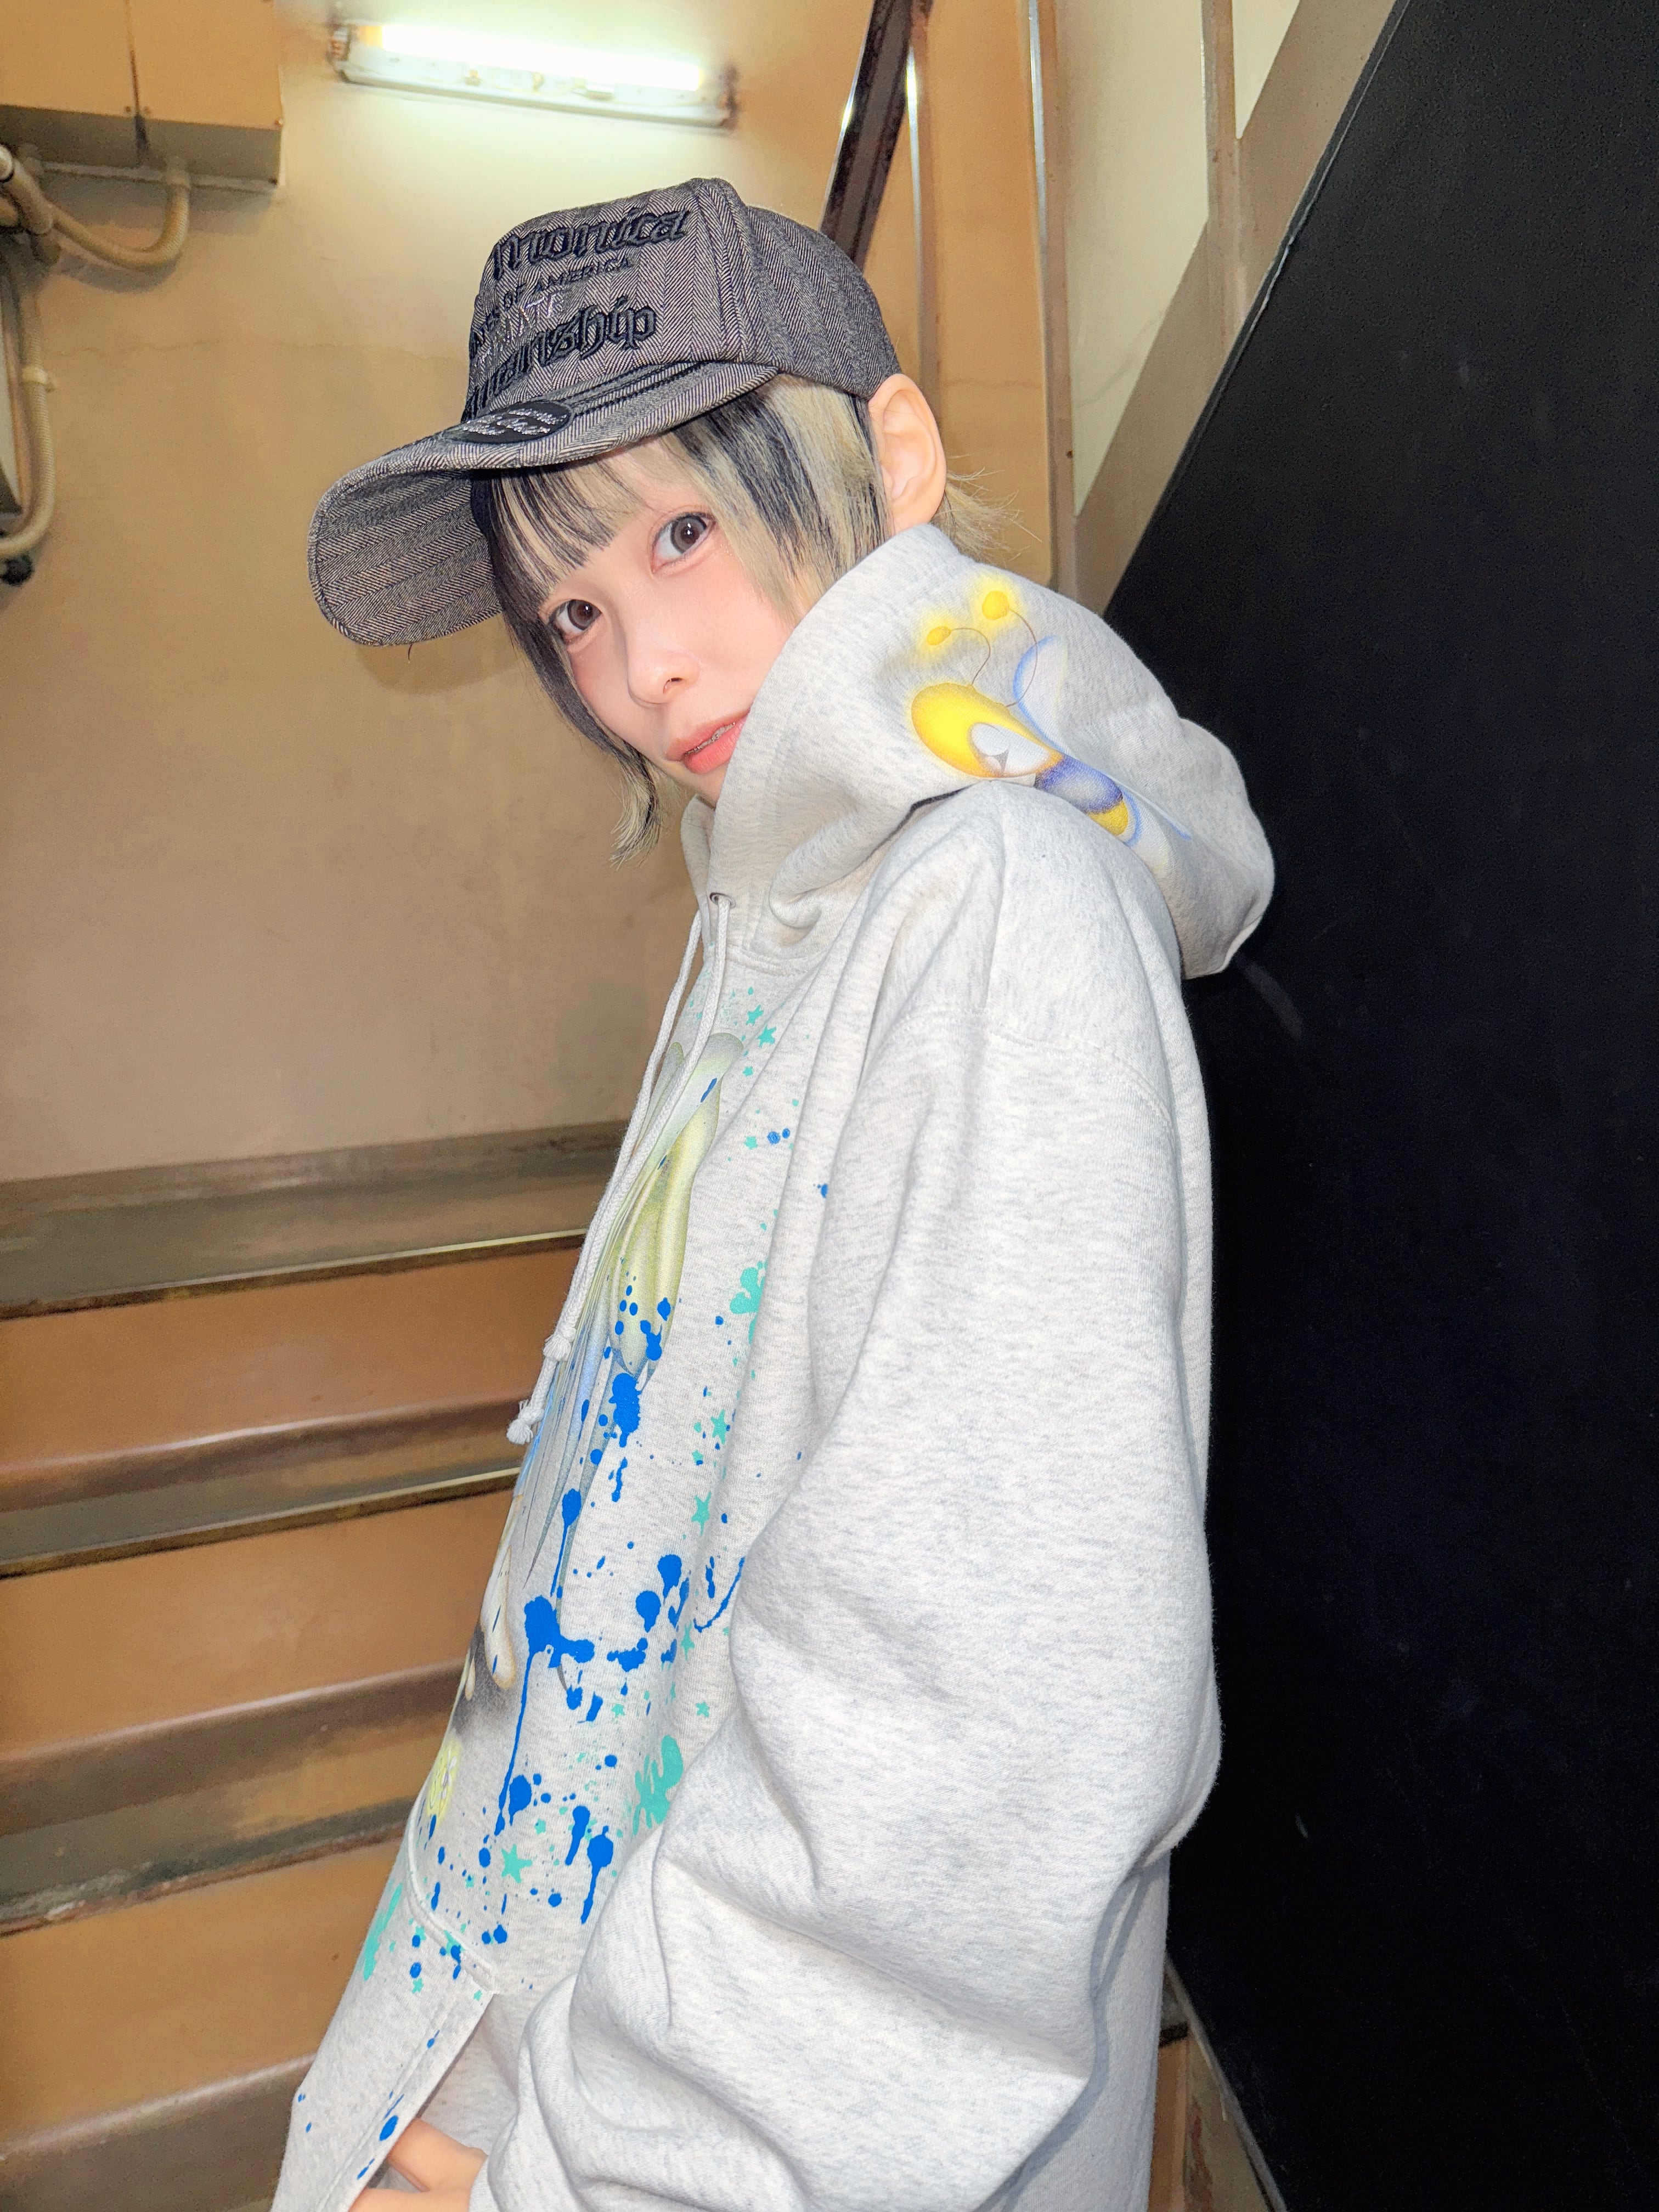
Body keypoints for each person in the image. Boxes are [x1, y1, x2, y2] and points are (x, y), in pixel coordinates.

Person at [278, 177, 1273, 2212]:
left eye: (683, 530)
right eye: (571, 610)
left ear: (888, 456)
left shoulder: (994, 912)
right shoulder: (791, 902)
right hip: (571, 2034)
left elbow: (967, 1763)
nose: (646, 666)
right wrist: (471, 2075)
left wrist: (577, 2172)